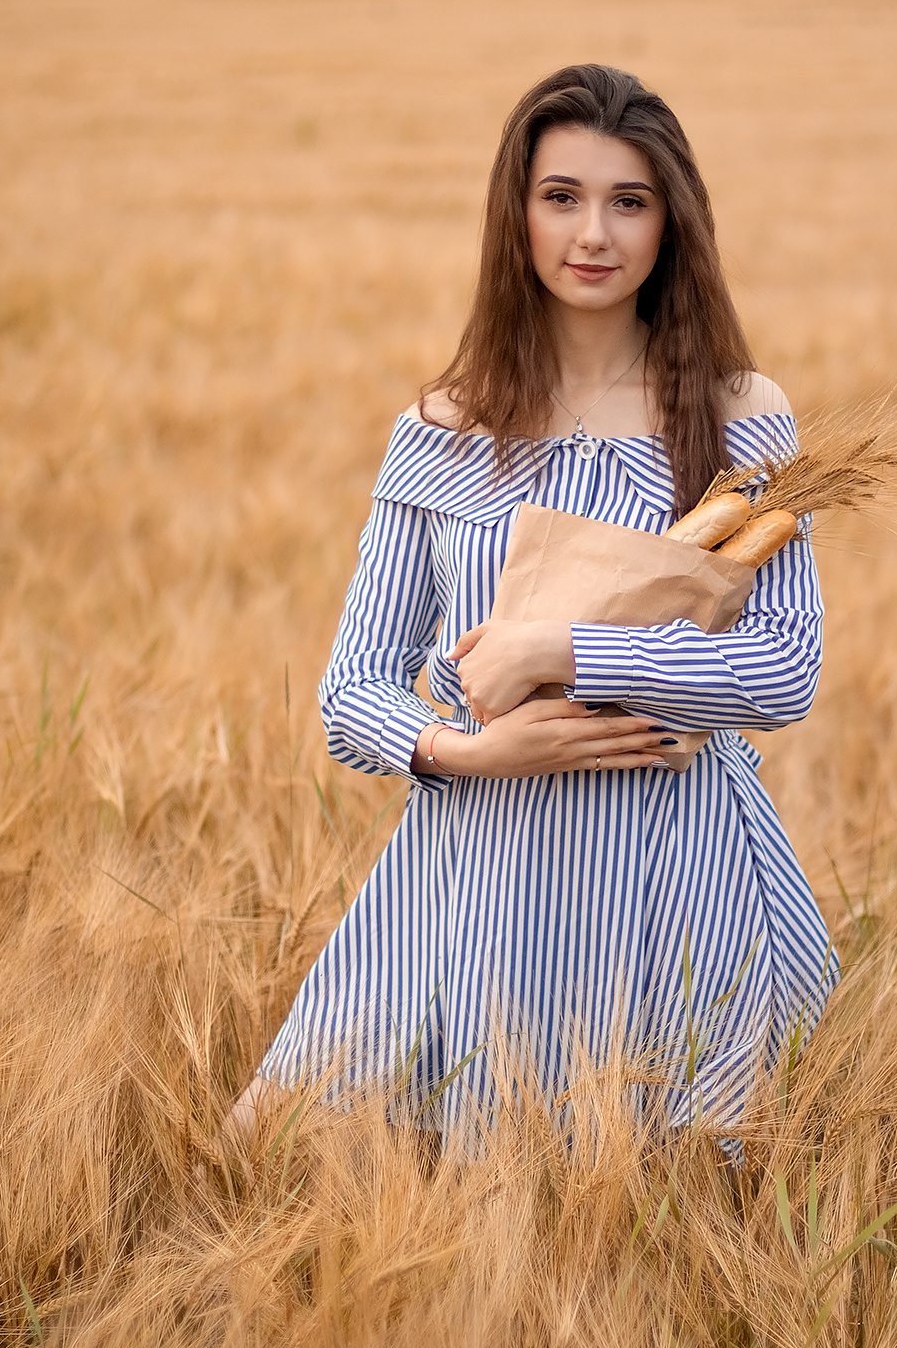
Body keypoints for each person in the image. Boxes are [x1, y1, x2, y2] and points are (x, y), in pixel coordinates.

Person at [232, 63, 837, 1148]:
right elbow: (350, 688)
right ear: (515, 214)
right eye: (560, 196)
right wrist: (463, 754)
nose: (592, 232)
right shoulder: (441, 429)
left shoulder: (742, 416)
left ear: (671, 224)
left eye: (628, 200)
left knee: (673, 1227)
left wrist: (559, 647)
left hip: (676, 874)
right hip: (479, 875)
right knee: (396, 1183)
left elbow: (784, 670)